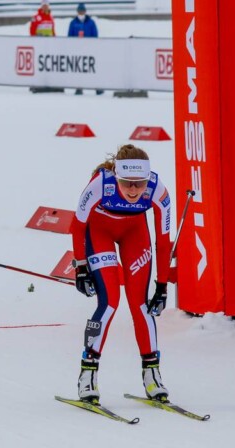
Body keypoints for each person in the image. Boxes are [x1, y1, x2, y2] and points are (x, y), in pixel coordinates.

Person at [71, 144, 172, 404]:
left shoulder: (158, 190)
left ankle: (152, 374)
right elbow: (78, 225)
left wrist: (161, 287)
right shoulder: (99, 185)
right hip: (100, 232)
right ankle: (88, 375)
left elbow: (163, 240)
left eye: (139, 184)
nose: (133, 190)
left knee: (141, 305)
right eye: (127, 183)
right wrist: (81, 267)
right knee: (109, 303)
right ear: (117, 175)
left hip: (134, 234)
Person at [67, 3, 102, 95]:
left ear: (85, 11)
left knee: (92, 70)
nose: (81, 12)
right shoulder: (73, 23)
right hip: (77, 50)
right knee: (79, 70)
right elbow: (70, 37)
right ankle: (79, 87)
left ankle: (97, 87)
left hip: (89, 50)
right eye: (79, 11)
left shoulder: (91, 22)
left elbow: (95, 35)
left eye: (82, 11)